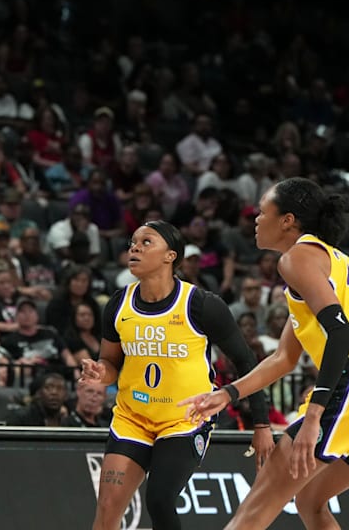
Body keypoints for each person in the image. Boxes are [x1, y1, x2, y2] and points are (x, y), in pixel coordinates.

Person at [180, 177, 349, 530]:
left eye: (262, 212)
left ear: (288, 220)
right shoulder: (330, 263)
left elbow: (341, 335)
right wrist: (228, 393)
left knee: (254, 510)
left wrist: (313, 418)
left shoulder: (297, 258)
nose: (256, 220)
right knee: (310, 501)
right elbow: (284, 359)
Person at [79, 220, 273, 530]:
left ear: (170, 256)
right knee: (107, 509)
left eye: (146, 242)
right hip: (133, 417)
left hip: (185, 419)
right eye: (132, 242)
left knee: (159, 499)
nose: (134, 248)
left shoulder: (201, 305)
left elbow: (247, 362)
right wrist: (99, 373)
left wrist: (261, 423)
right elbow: (110, 364)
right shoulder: (119, 303)